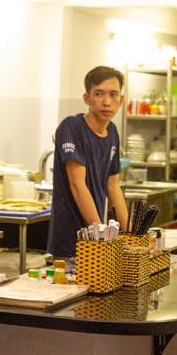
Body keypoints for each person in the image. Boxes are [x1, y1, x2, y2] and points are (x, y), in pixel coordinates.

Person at [47, 66, 129, 259]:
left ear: (121, 100)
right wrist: (101, 236)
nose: (107, 101)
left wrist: (131, 234)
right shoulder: (71, 127)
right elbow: (77, 184)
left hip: (97, 240)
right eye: (99, 94)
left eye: (113, 94)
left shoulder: (113, 132)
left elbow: (113, 186)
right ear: (87, 98)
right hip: (71, 244)